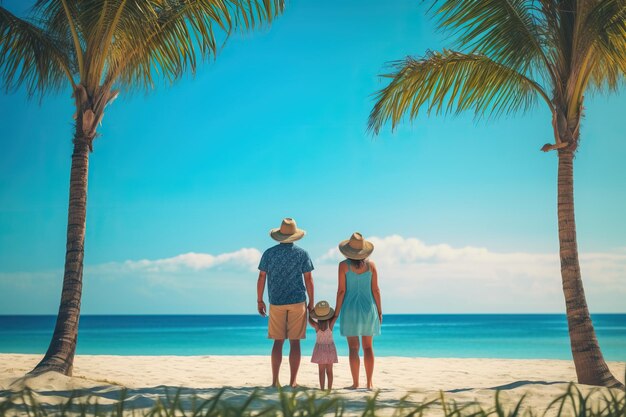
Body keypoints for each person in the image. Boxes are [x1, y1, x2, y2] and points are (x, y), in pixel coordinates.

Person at [256, 218, 315, 388]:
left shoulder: (269, 253)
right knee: (295, 341)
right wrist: (311, 301)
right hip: (298, 301)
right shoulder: (302, 254)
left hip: (276, 301)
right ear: (295, 236)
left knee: (278, 341)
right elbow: (309, 279)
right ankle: (293, 381)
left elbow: (261, 277)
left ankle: (275, 381)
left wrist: (260, 300)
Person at [334, 232, 382, 390]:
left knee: (353, 348)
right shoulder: (371, 265)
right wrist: (380, 312)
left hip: (349, 310)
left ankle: (355, 383)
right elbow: (376, 290)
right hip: (368, 309)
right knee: (368, 347)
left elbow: (341, 291)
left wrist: (336, 313)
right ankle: (369, 383)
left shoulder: (343, 266)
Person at [308, 300, 339, 390]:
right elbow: (336, 316)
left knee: (321, 371)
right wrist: (337, 306)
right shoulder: (330, 325)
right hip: (330, 349)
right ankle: (329, 389)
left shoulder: (317, 326)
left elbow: (310, 321)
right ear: (328, 315)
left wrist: (310, 312)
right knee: (329, 371)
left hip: (320, 350)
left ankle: (322, 389)